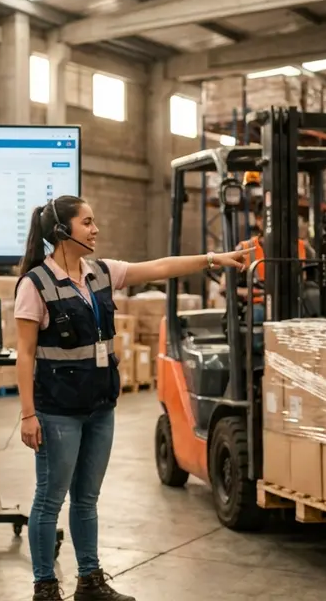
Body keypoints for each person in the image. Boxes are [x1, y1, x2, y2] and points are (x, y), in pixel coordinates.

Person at [14, 195, 248, 601]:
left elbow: (161, 267)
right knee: (49, 500)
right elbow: (26, 352)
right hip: (57, 412)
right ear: (62, 231)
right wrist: (28, 415)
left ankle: (89, 581)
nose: (96, 229)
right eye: (87, 222)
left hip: (100, 407)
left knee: (86, 499)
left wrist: (215, 258)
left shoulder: (101, 273)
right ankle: (45, 587)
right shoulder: (35, 284)